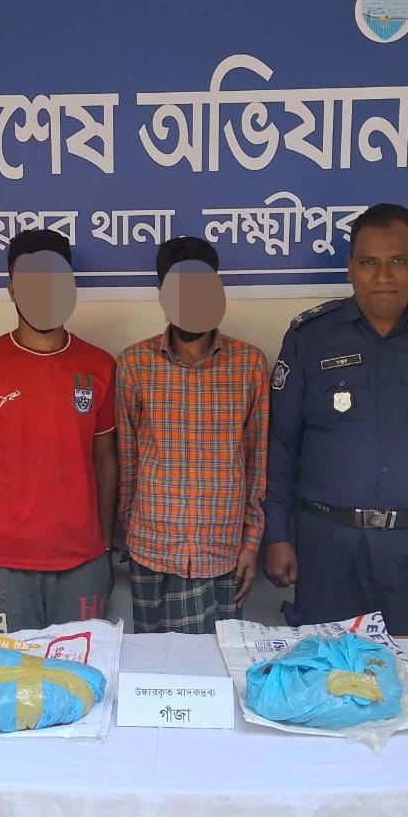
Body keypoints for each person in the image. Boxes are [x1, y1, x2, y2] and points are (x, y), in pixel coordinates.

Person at [263, 203, 408, 646]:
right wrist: (278, 535)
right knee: (327, 669)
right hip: (328, 546)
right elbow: (282, 445)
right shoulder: (310, 337)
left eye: (398, 261)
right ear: (351, 267)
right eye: (369, 262)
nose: (384, 276)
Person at [0, 228, 118, 633]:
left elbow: (105, 461)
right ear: (12, 290)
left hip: (83, 561)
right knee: (14, 670)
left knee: (78, 668)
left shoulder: (99, 365)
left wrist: (104, 547)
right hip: (3, 564)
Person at [115, 236, 269, 633]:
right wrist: (129, 532)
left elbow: (258, 462)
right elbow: (127, 460)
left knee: (214, 664)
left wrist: (251, 544)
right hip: (152, 548)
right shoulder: (134, 364)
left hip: (222, 552)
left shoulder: (249, 364)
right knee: (154, 663)